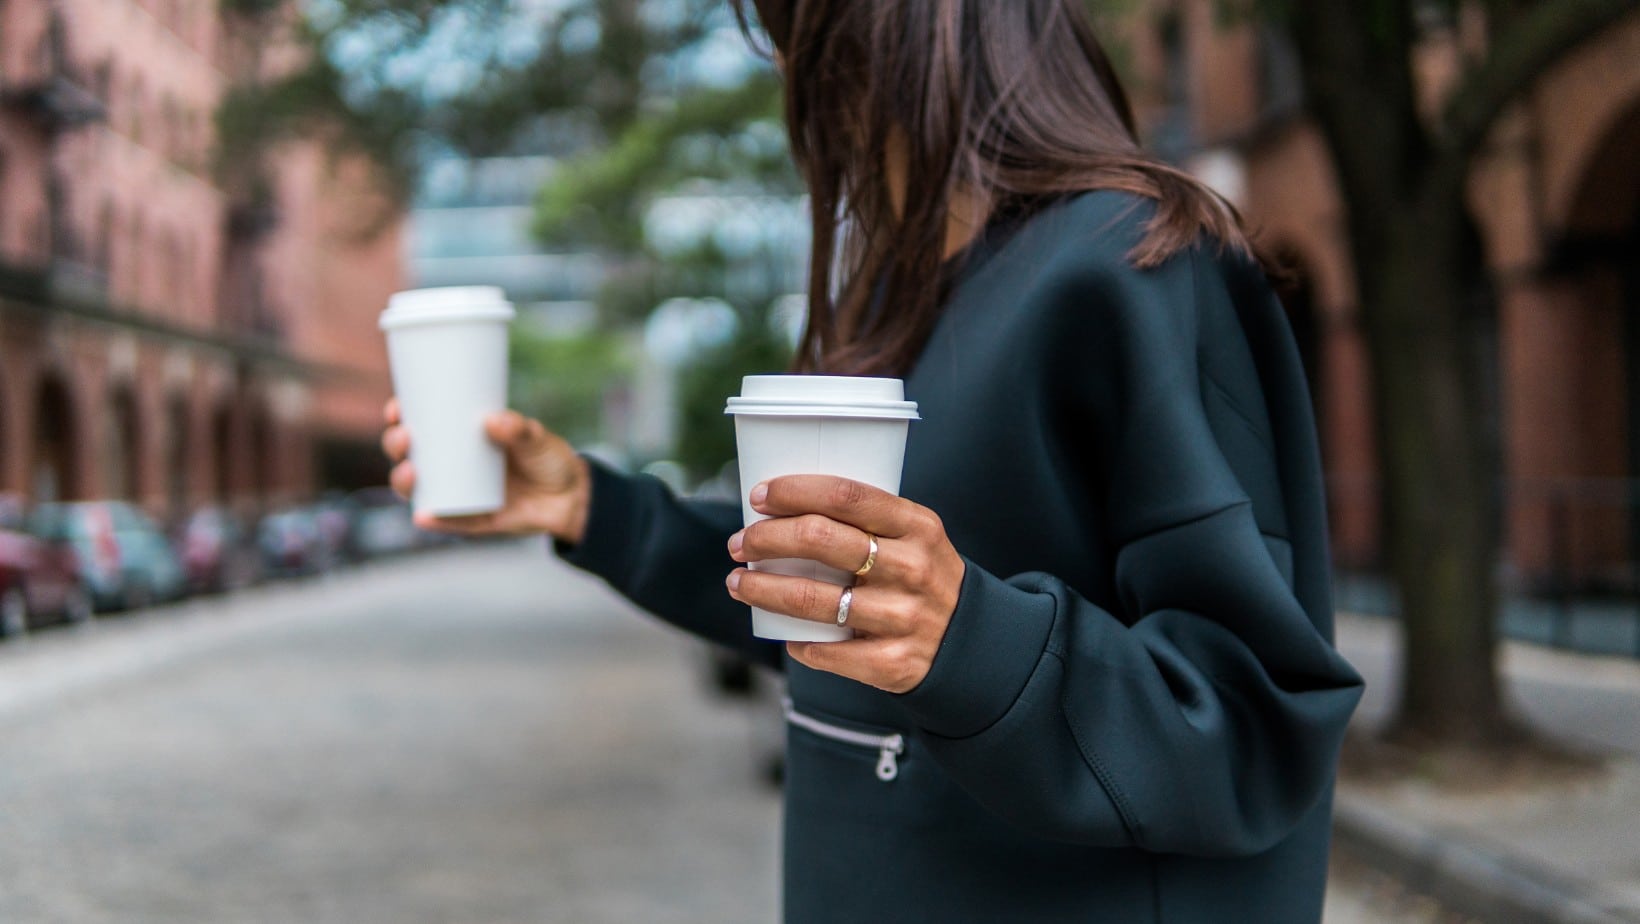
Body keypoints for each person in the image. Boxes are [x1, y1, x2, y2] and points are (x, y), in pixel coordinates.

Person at [381, 1, 1364, 920]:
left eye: (795, 31)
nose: (796, 83)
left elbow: (1252, 723)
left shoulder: (1130, 265)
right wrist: (588, 507)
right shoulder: (895, 296)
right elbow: (829, 612)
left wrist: (970, 640)